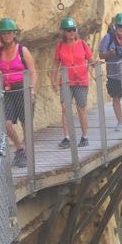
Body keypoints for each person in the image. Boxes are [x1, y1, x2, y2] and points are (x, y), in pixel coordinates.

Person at [0, 17, 37, 167]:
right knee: (6, 124)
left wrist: (31, 90)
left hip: (22, 88)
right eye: (3, 33)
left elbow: (33, 72)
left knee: (25, 123)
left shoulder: (22, 50)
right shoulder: (0, 51)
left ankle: (28, 154)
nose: (7, 36)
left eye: (9, 32)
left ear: (14, 33)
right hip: (7, 91)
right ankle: (20, 148)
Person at [51, 17, 94, 149]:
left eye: (73, 29)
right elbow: (55, 63)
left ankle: (85, 137)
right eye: (68, 30)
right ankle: (66, 138)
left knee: (81, 109)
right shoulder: (60, 46)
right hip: (65, 81)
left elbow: (91, 60)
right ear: (64, 32)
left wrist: (96, 70)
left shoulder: (82, 44)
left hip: (81, 81)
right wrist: (53, 79)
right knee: (65, 108)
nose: (71, 32)